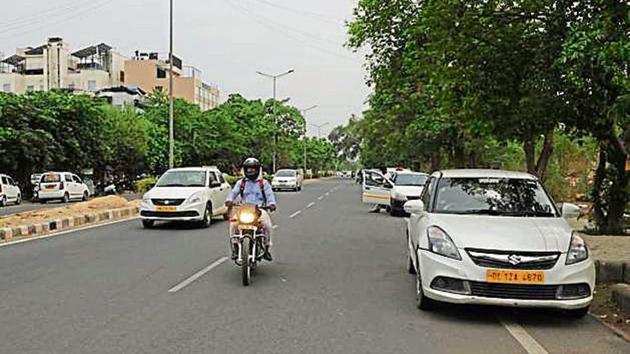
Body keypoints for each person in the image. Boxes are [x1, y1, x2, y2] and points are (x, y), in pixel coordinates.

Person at [225, 158, 277, 261]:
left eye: (253, 169)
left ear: (257, 170)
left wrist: (271, 204)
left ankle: (266, 248)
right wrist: (229, 200)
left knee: (267, 226)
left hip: (259, 210)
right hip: (244, 209)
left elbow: (269, 195)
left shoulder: (264, 183)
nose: (250, 171)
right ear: (245, 170)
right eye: (248, 169)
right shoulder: (241, 183)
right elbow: (233, 193)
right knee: (233, 224)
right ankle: (235, 247)